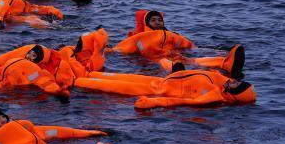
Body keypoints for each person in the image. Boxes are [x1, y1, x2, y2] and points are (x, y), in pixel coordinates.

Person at [112, 11, 245, 77]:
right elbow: (122, 48)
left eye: (160, 20)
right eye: (153, 20)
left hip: (177, 56)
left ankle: (226, 62)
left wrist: (219, 51)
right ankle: (176, 70)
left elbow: (190, 46)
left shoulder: (171, 35)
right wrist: (108, 50)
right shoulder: (140, 37)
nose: (158, 22)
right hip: (157, 59)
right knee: (166, 62)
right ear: (147, 23)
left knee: (195, 60)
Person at [74, 69, 256, 109]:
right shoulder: (219, 80)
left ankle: (75, 81)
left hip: (157, 91)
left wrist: (152, 103)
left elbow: (179, 101)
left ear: (234, 95)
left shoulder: (212, 96)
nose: (232, 81)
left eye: (235, 85)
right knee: (99, 75)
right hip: (159, 80)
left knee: (105, 85)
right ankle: (87, 73)